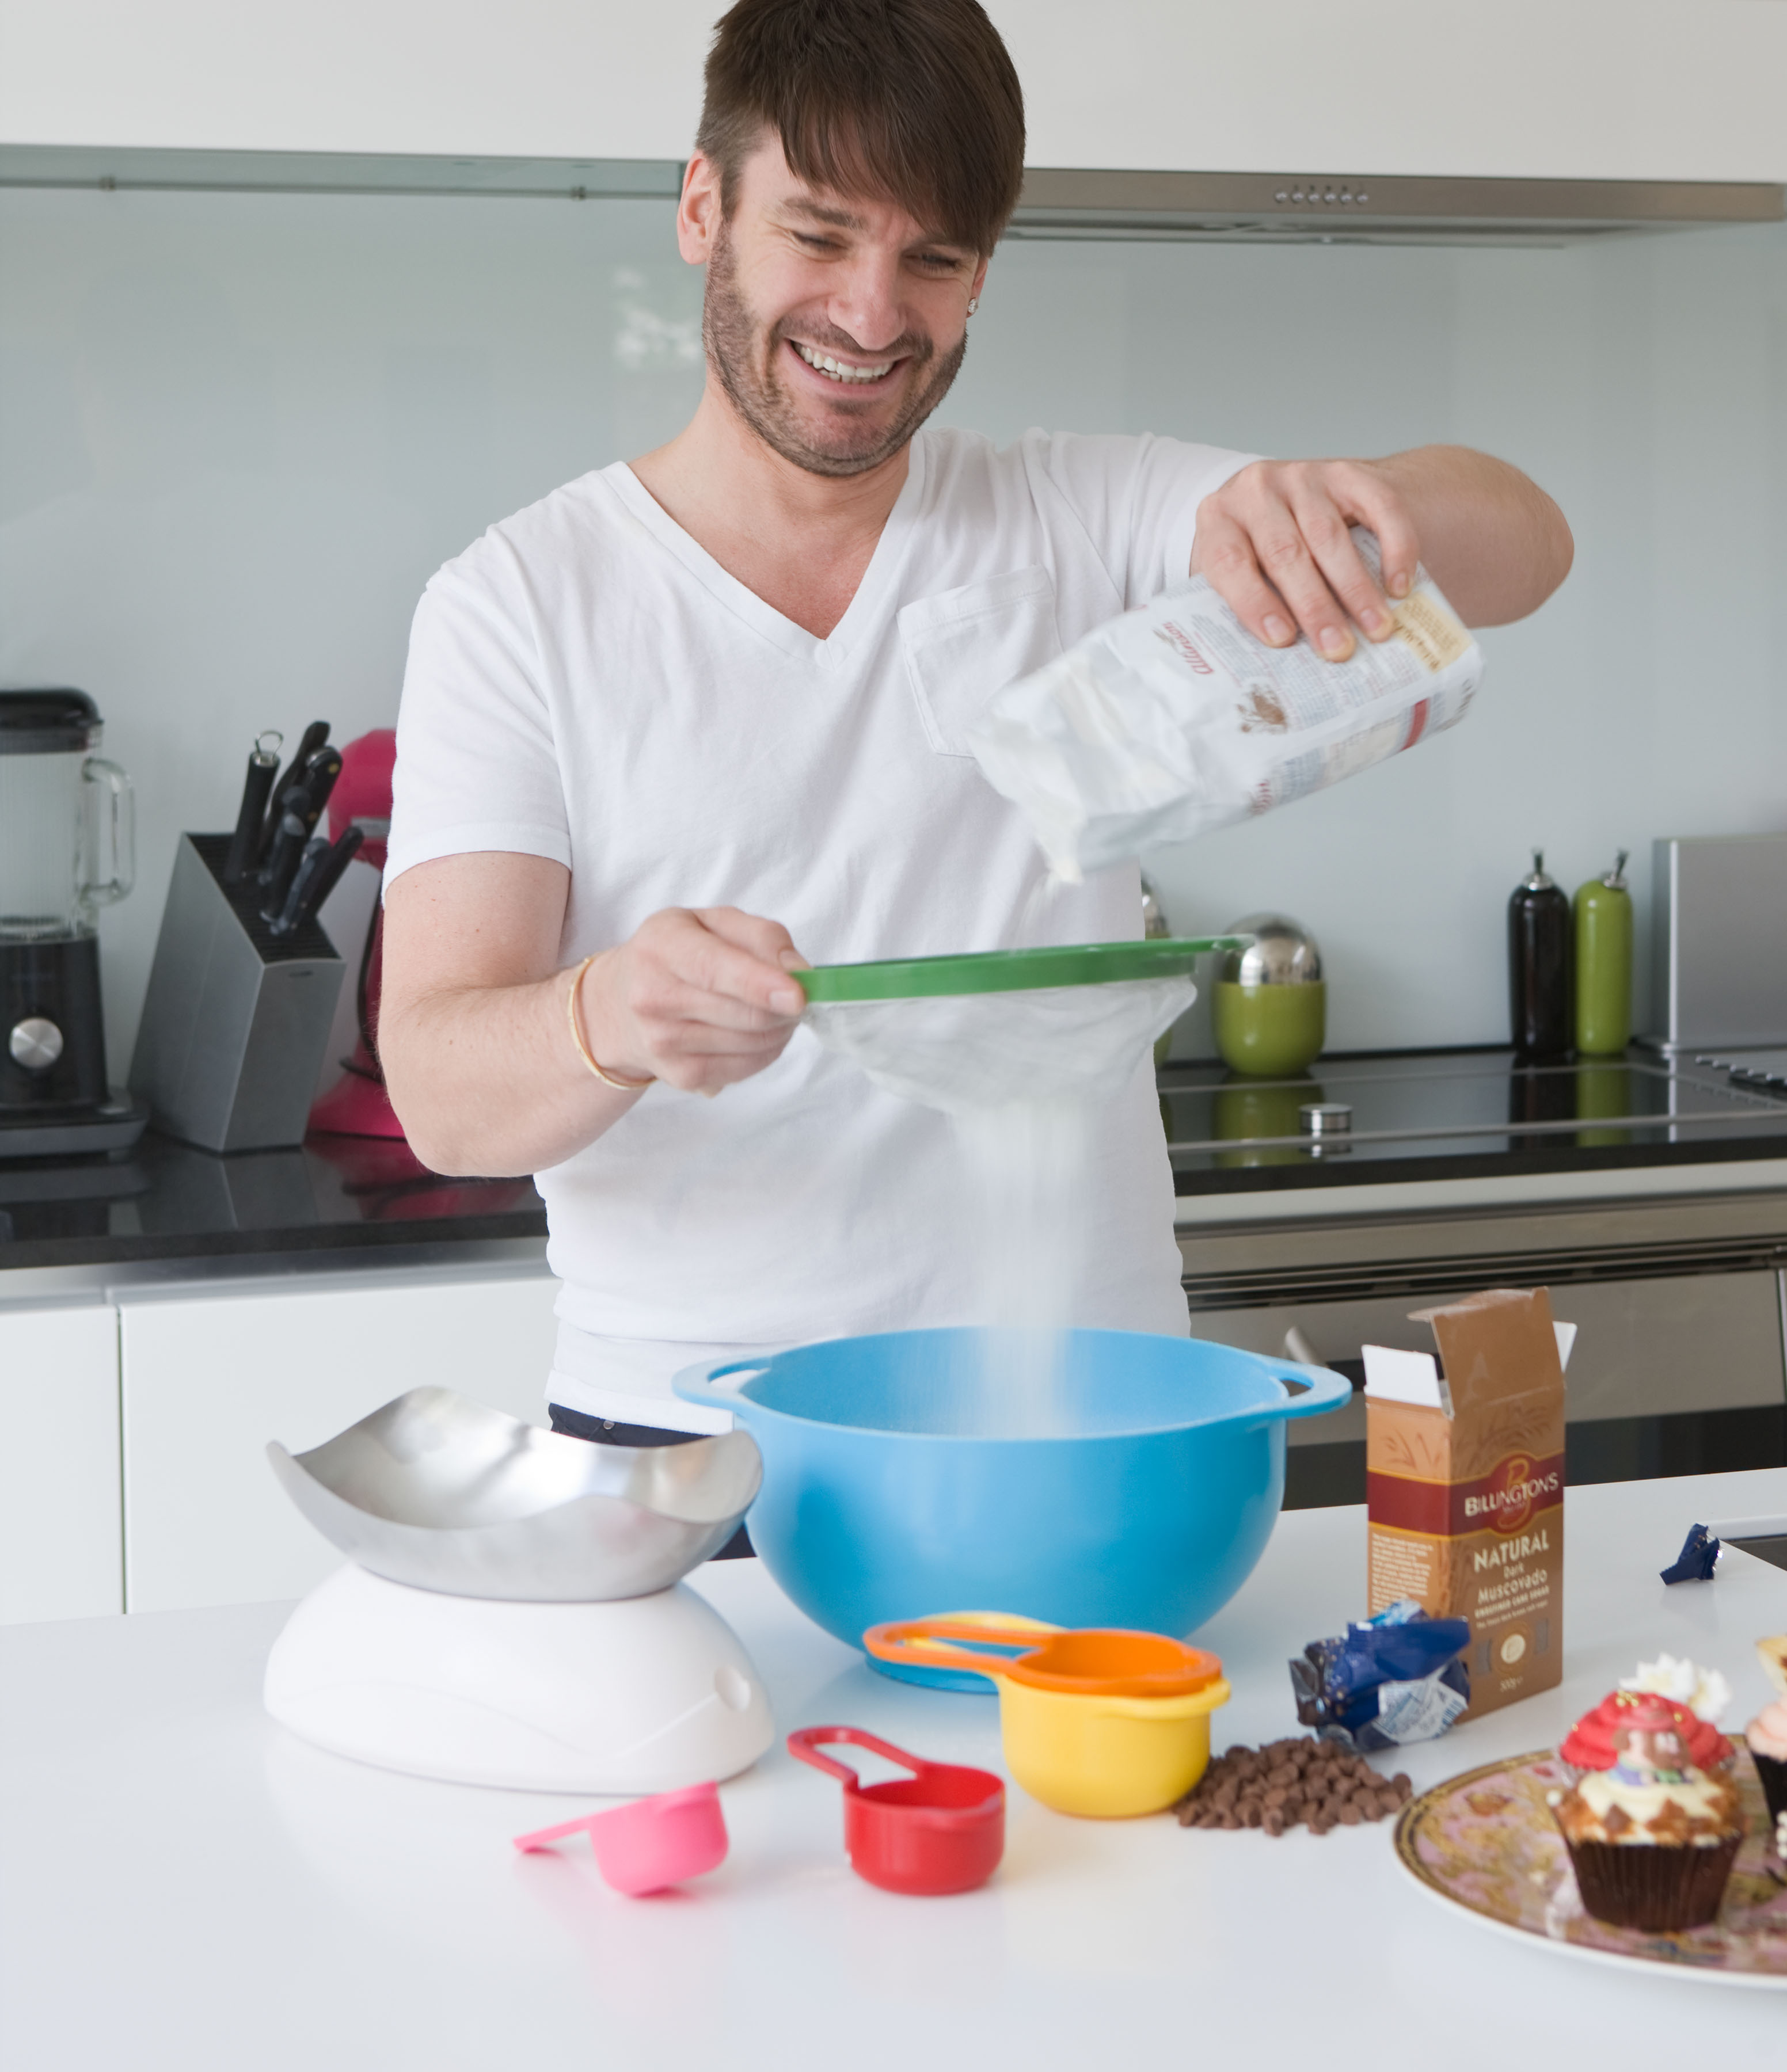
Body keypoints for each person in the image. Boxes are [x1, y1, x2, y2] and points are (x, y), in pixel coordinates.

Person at [378, 0, 1573, 1450]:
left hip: (1083, 1407)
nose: (873, 315)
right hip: (696, 1436)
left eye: (930, 260)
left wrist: (1338, 499)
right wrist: (607, 1015)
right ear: (705, 207)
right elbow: (441, 1093)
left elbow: (1526, 543)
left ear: (978, 275)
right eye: (819, 237)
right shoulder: (518, 602)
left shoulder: (1077, 515)